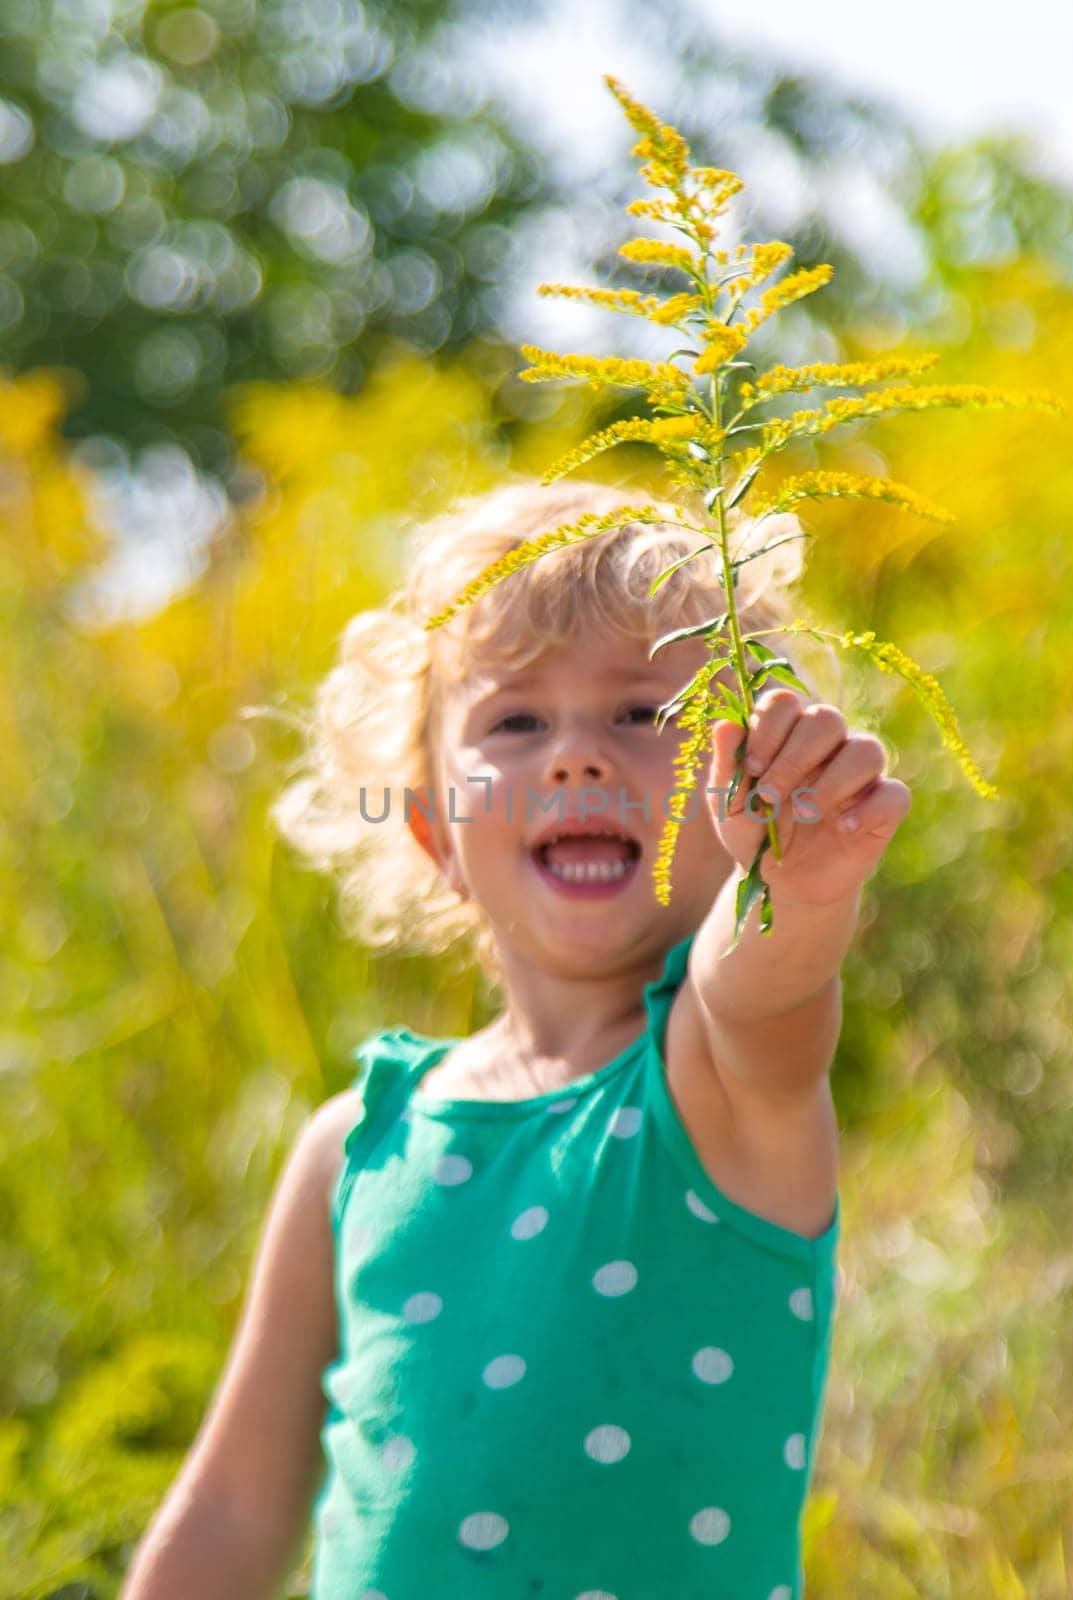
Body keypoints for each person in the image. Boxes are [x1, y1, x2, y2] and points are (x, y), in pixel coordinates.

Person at [121, 474, 910, 1600]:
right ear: (438, 832)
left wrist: (795, 885)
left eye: (643, 715)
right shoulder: (353, 1148)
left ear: (737, 787)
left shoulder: (713, 1085)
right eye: (515, 719)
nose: (576, 755)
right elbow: (233, 1507)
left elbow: (766, 985)